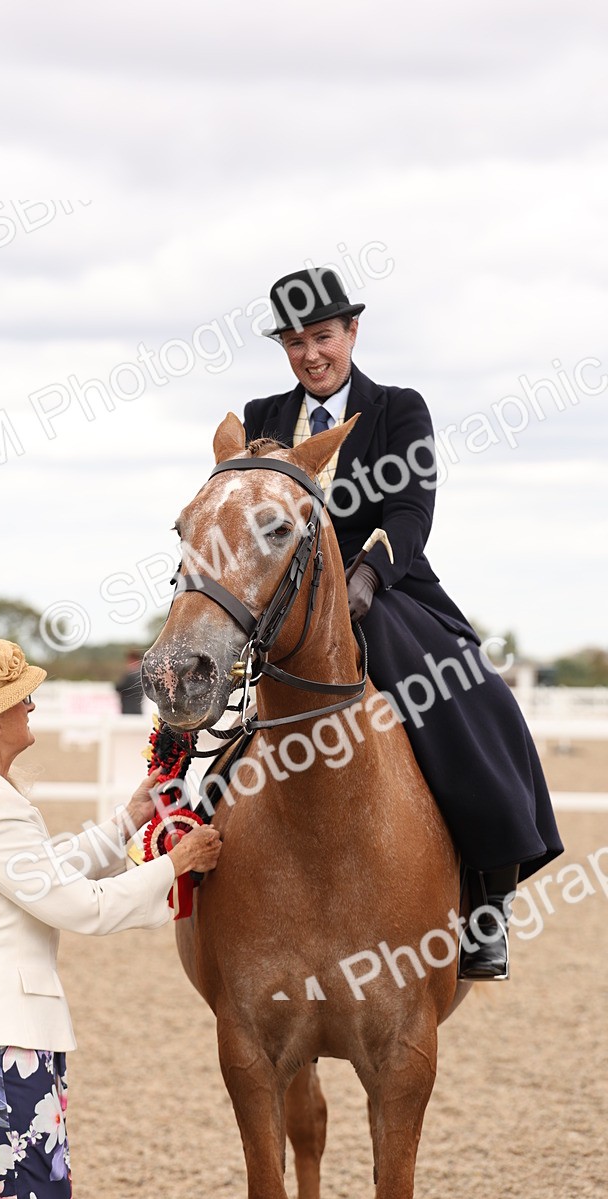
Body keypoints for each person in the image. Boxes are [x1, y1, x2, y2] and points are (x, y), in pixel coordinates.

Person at [243, 266, 563, 980]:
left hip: (386, 588)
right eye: (294, 343)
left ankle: (487, 899)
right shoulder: (263, 413)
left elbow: (412, 508)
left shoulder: (398, 409)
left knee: (478, 699)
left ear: (351, 331)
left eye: (322, 336)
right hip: (284, 598)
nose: (310, 355)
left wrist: (364, 577)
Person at [0, 638, 220, 1199]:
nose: (31, 706)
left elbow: (40, 876)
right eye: (21, 698)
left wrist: (126, 821)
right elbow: (83, 907)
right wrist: (175, 864)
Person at [115, 649, 144, 714]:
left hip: (128, 711)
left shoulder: (130, 675)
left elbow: (118, 687)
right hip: (138, 710)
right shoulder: (142, 674)